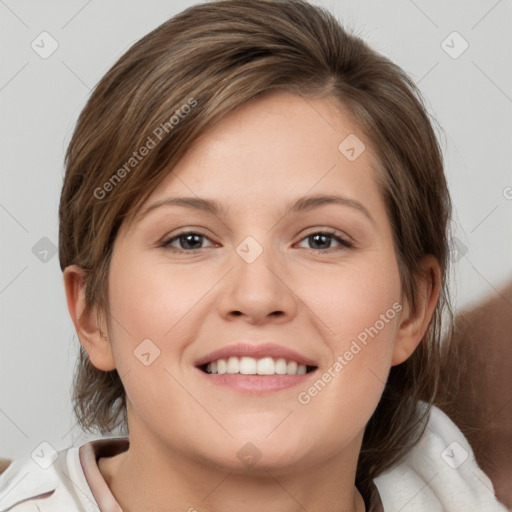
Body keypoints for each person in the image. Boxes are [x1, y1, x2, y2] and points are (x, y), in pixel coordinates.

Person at [0, 1, 508, 511]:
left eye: (321, 240)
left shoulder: (449, 482)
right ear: (92, 314)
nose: (258, 295)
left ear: (413, 307)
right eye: (190, 240)